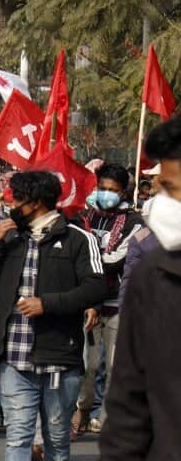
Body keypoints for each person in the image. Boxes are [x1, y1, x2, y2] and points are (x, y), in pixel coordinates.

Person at [0, 170, 107, 461]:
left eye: (17, 199)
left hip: (59, 358)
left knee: (55, 438)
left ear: (35, 202)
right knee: (18, 434)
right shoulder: (11, 237)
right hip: (15, 357)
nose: (10, 205)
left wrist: (47, 304)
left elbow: (96, 286)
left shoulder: (78, 239)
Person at [87, 116, 181, 461]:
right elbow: (129, 406)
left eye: (176, 191)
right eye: (165, 189)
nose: (166, 204)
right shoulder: (153, 278)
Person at [73, 162, 144, 435]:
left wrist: (90, 260)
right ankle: (80, 409)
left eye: (111, 190)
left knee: (115, 367)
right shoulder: (83, 218)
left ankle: (107, 417)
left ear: (123, 193)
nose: (105, 194)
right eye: (101, 188)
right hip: (86, 303)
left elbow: (116, 261)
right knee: (86, 365)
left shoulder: (135, 223)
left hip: (117, 304)